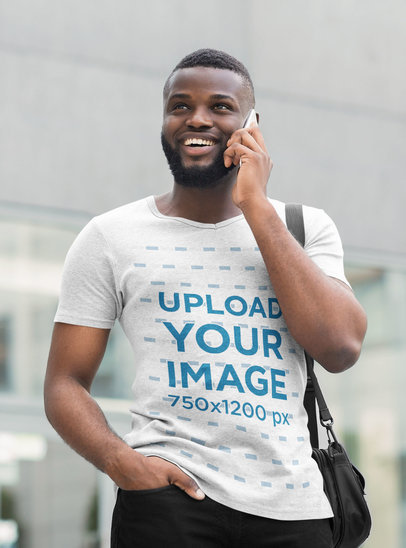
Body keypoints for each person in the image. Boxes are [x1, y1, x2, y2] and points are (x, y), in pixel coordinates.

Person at [44, 49, 367, 547]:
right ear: (165, 120)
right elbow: (64, 382)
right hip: (167, 505)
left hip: (295, 508)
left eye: (220, 106)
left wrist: (255, 204)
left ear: (252, 123)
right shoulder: (110, 235)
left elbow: (341, 347)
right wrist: (123, 464)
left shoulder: (304, 227)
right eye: (180, 106)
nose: (197, 118)